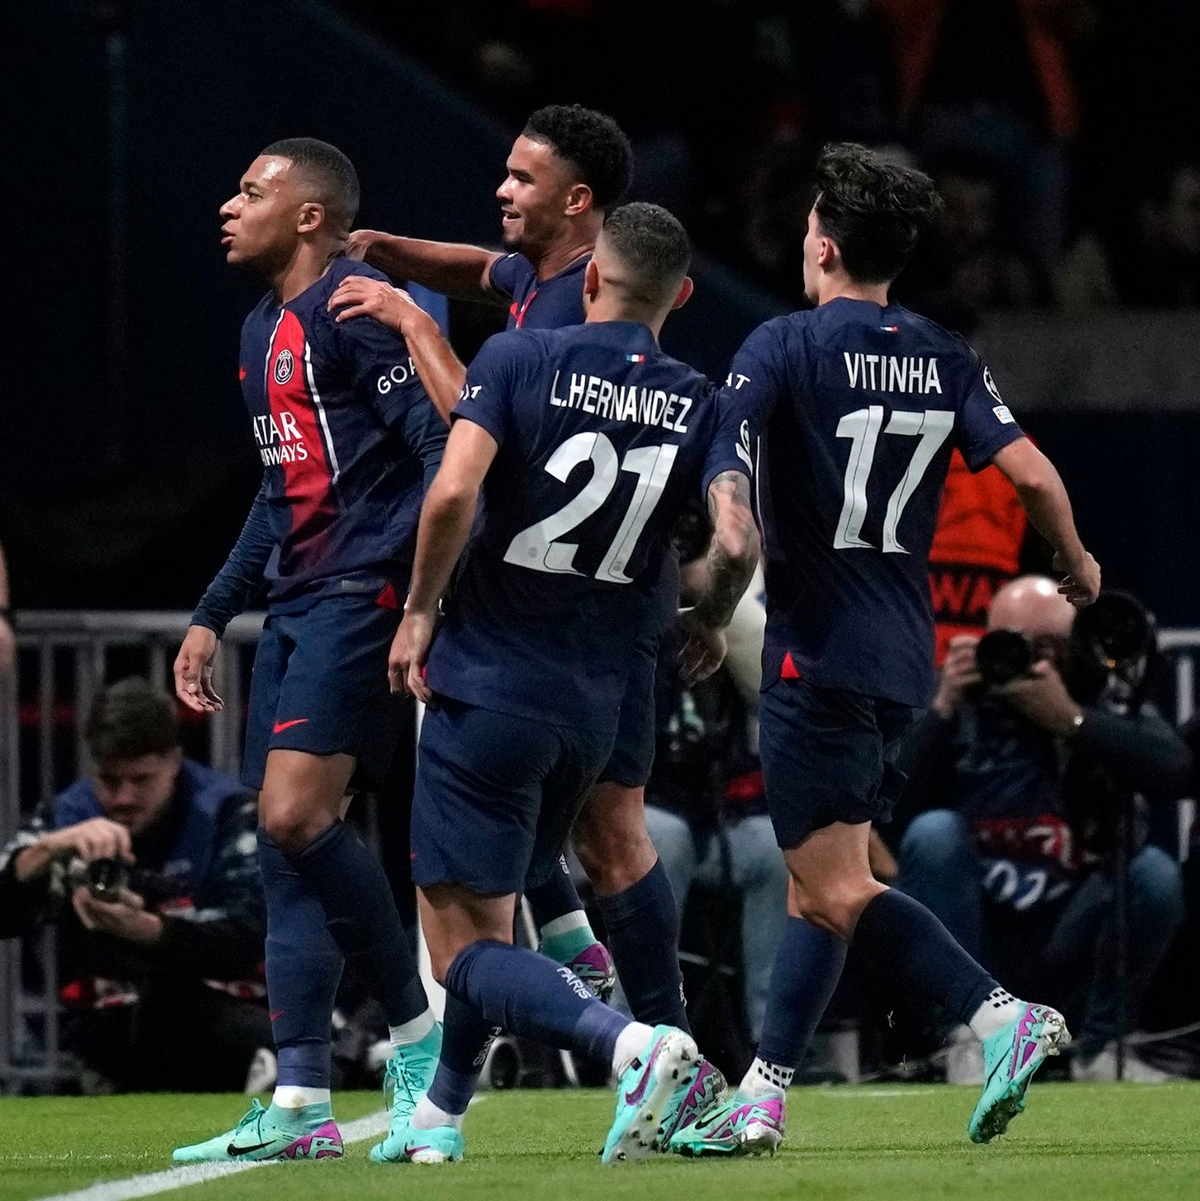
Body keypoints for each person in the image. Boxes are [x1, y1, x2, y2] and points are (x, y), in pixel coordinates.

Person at [670, 142, 1101, 1158]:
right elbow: (1033, 476)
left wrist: (710, 608)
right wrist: (1076, 563)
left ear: (820, 244)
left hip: (813, 655)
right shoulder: (945, 352)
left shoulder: (780, 345)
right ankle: (766, 1093)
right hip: (905, 657)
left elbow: (732, 522)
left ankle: (1001, 1015)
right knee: (818, 881)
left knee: (831, 885)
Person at [386, 202, 758, 1164]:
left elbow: (458, 489)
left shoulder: (517, 362)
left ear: (588, 276)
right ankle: (441, 1115)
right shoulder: (703, 400)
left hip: (490, 679)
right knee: (508, 905)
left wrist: (421, 609)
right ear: (680, 295)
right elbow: (739, 540)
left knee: (463, 949)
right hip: (596, 706)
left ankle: (631, 1044)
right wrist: (708, 618)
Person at [338, 105, 697, 1042]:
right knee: (567, 820)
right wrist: (392, 249)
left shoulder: (582, 298)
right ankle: (592, 984)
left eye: (520, 179)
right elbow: (479, 267)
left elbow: (489, 437)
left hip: (581, 608)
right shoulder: (548, 277)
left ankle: (655, 1033)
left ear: (578, 202)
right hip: (586, 604)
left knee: (607, 832)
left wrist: (414, 323)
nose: (501, 190)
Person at [169, 139, 447, 1163]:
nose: (228, 204)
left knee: (296, 815)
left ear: (309, 216)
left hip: (357, 595)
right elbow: (278, 487)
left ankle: (418, 1035)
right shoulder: (260, 328)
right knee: (285, 851)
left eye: (251, 190)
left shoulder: (355, 304)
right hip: (292, 605)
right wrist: (213, 610)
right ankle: (300, 1102)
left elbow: (436, 451)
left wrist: (412, 592)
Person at [895, 576, 1189, 1081]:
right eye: (1017, 646)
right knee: (933, 833)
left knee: (1154, 874)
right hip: (978, 930)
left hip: (1071, 929)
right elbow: (888, 808)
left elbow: (1178, 770)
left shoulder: (1100, 698)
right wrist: (942, 711)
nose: (1038, 662)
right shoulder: (956, 701)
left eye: (1052, 646)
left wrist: (1072, 721)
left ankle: (1097, 1051)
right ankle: (969, 1039)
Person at [0, 678, 267, 1091]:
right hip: (106, 1028)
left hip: (224, 1015)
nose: (123, 798)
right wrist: (46, 852)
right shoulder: (69, 816)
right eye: (109, 780)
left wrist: (148, 929)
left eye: (141, 780)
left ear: (174, 762)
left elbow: (251, 932)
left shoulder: (226, 813)